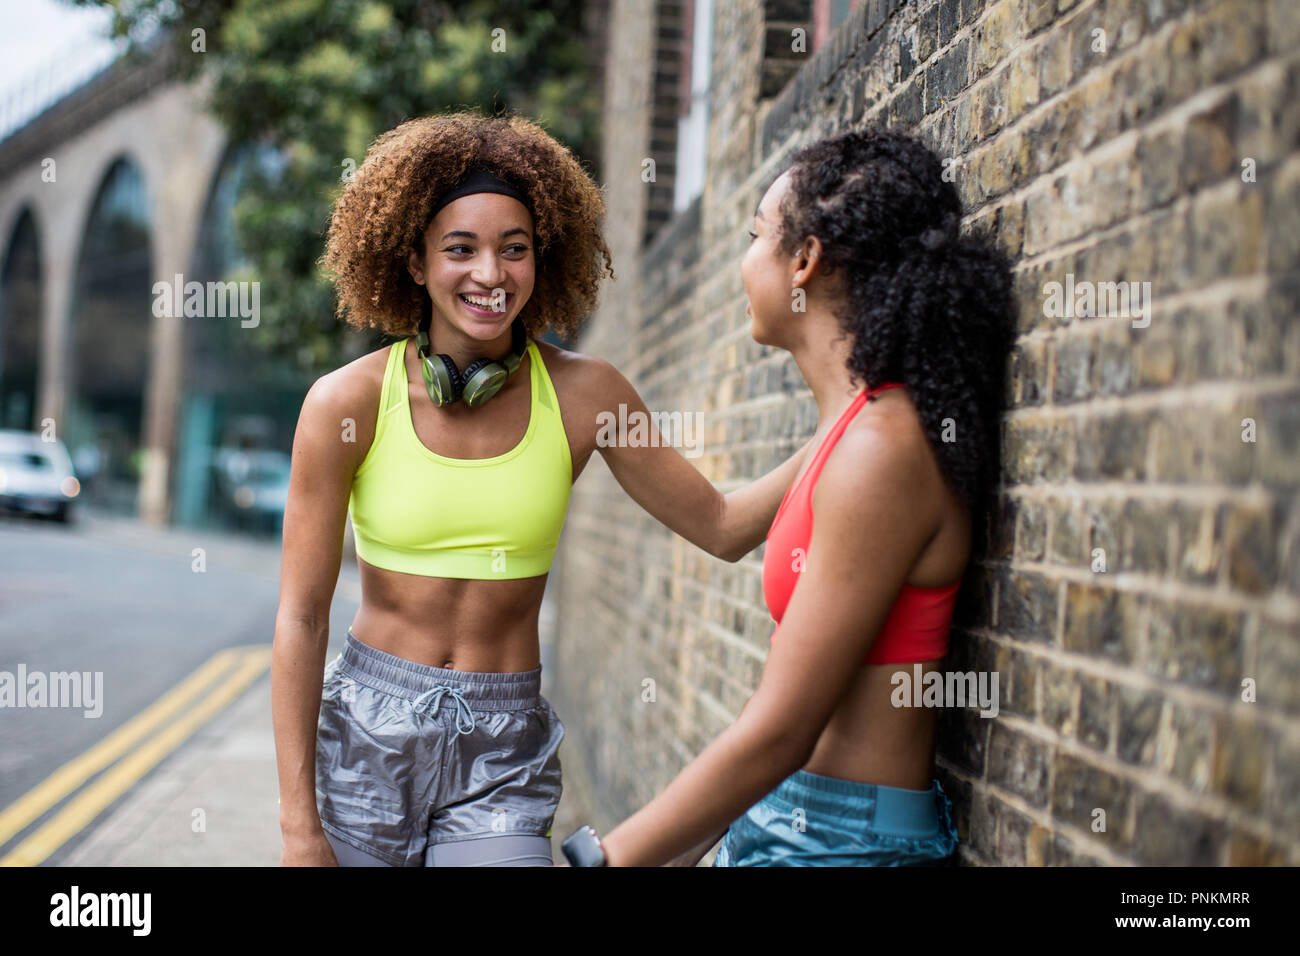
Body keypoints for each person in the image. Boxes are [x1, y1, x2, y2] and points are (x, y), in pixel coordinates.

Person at [272, 110, 815, 867]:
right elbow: (300, 620)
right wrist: (300, 829)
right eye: (460, 249)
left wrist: (845, 423)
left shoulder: (589, 397)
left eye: (514, 250)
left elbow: (722, 526)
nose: (491, 275)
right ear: (414, 261)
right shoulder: (346, 405)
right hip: (368, 740)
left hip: (502, 752)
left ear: (541, 259)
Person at [562, 128, 1014, 867]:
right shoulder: (852, 432)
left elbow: (781, 731)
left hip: (843, 843)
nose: (744, 261)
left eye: (755, 236)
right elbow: (723, 523)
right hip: (795, 821)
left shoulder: (880, 450)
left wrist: (604, 859)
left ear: (802, 261)